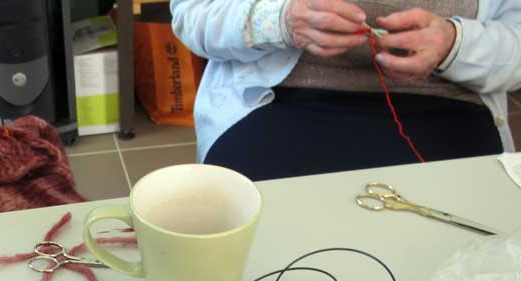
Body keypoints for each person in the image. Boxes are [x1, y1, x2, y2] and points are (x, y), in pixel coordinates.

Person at [171, 0, 521, 180]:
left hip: (450, 104)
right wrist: (281, 21)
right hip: (277, 102)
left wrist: (454, 44)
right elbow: (194, 14)